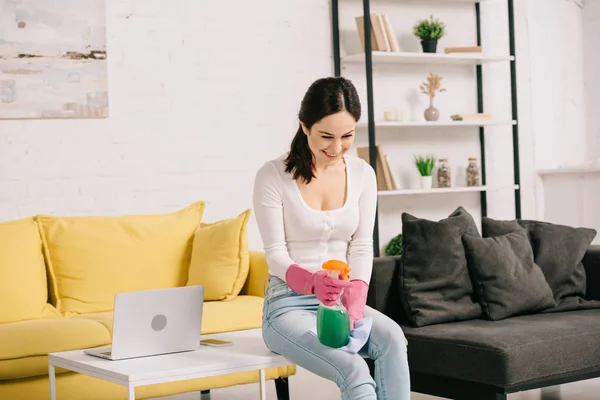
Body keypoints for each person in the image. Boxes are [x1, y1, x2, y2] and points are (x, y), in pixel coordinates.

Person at [252, 76, 410, 400]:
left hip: (342, 302)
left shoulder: (364, 174)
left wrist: (357, 295)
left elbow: (362, 245)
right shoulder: (272, 176)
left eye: (347, 136)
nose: (336, 148)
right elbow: (275, 255)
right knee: (354, 372)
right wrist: (312, 283)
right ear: (304, 126)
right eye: (326, 136)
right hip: (288, 306)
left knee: (393, 338)